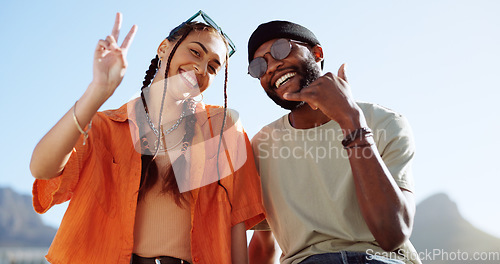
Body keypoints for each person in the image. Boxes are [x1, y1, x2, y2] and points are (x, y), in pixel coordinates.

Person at [30, 11, 265, 264]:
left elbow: (236, 221)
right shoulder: (104, 127)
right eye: (195, 52)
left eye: (213, 67)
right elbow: (42, 168)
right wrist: (98, 91)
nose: (200, 68)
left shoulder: (223, 126)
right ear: (163, 48)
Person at [246, 21, 421, 264]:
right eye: (258, 65)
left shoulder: (383, 122)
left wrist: (351, 121)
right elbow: (264, 244)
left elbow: (393, 233)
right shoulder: (259, 147)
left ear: (317, 54)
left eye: (281, 49)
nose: (272, 65)